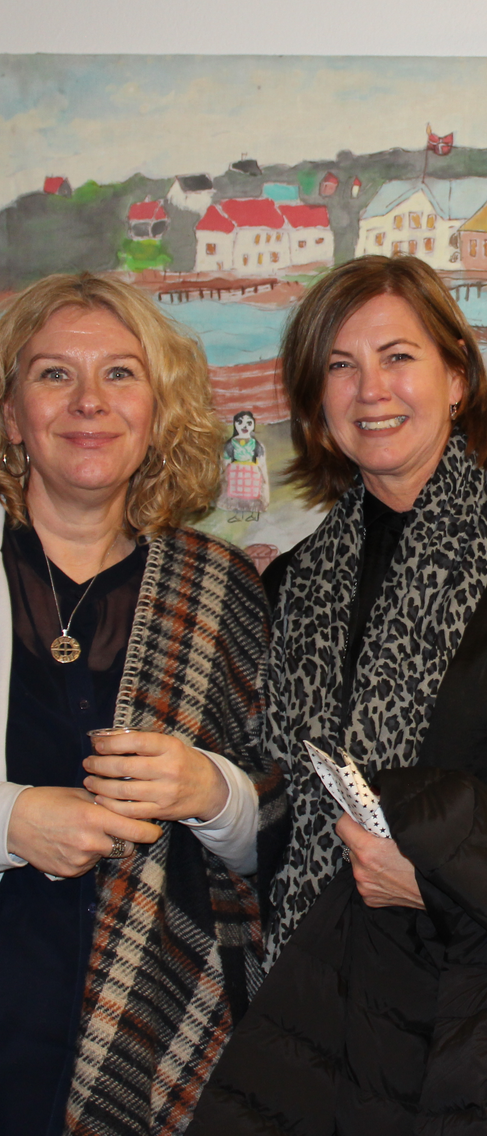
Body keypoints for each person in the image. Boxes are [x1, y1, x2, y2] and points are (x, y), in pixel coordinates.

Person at [191, 255, 487, 1135]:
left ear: (457, 378)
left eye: (398, 356)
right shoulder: (290, 588)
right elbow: (275, 817)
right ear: (315, 404)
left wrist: (444, 878)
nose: (372, 389)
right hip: (319, 1031)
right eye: (341, 365)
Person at [0, 273, 283, 1136]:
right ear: (10, 414)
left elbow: (281, 838)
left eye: (120, 374)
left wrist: (212, 792)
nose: (89, 401)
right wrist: (10, 822)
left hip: (153, 1033)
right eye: (54, 374)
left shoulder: (222, 589)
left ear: (157, 412)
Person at [217, 408, 270, 521]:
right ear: (235, 424)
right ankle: (237, 516)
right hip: (235, 474)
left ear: (253, 425)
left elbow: (262, 463)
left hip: (252, 474)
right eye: (240, 422)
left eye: (249, 423)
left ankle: (254, 516)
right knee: (237, 497)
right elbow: (225, 462)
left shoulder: (257, 445)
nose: (244, 426)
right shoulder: (230, 444)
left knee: (253, 496)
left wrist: (265, 478)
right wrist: (222, 475)